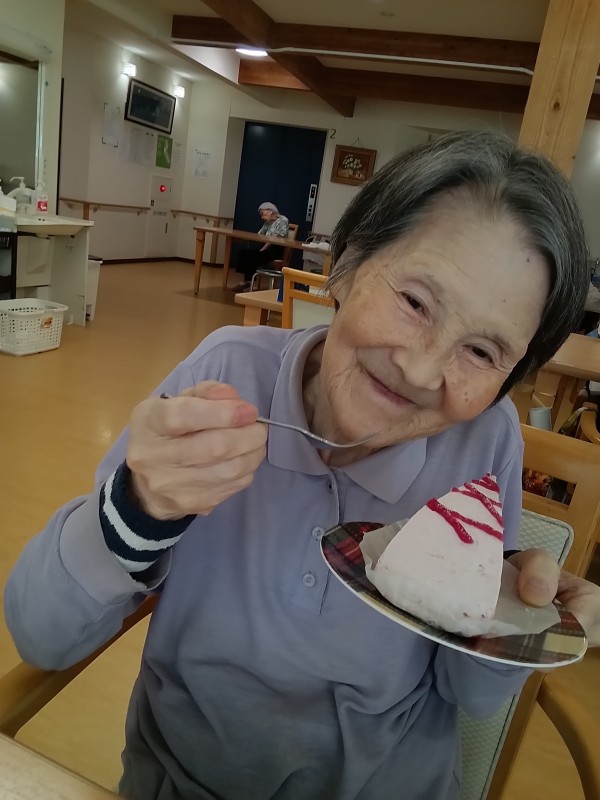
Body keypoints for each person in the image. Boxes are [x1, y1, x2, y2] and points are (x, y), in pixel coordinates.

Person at [5, 131, 600, 800]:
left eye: (483, 353)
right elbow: (41, 635)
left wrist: (517, 620)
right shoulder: (227, 374)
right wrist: (136, 510)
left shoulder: (484, 443)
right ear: (345, 265)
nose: (422, 370)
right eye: (414, 302)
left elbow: (470, 691)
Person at [231, 201, 290, 292]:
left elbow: (277, 237)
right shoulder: (268, 222)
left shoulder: (283, 220)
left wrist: (262, 249)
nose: (262, 217)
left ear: (270, 211)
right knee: (243, 253)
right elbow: (259, 234)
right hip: (265, 248)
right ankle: (247, 281)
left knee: (252, 256)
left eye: (263, 214)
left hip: (275, 249)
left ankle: (249, 282)